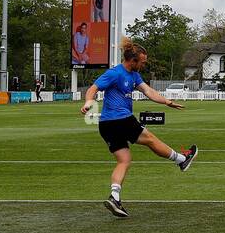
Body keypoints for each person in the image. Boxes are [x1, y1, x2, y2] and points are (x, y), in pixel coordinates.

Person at [81, 38, 197, 218]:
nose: (143, 64)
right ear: (132, 60)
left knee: (124, 160)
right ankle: (181, 160)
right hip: (120, 120)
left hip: (106, 125)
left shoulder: (134, 75)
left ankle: (114, 197)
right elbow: (94, 88)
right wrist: (89, 101)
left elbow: (148, 91)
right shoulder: (115, 73)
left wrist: (167, 102)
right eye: (142, 62)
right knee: (150, 139)